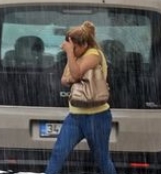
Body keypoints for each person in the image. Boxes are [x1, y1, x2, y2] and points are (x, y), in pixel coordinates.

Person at [44, 20, 116, 174]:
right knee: (58, 153)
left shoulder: (94, 54)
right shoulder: (75, 58)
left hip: (97, 117)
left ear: (83, 45)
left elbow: (75, 74)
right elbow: (64, 79)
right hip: (75, 116)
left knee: (102, 159)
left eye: (74, 48)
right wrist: (72, 65)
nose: (71, 51)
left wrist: (71, 56)